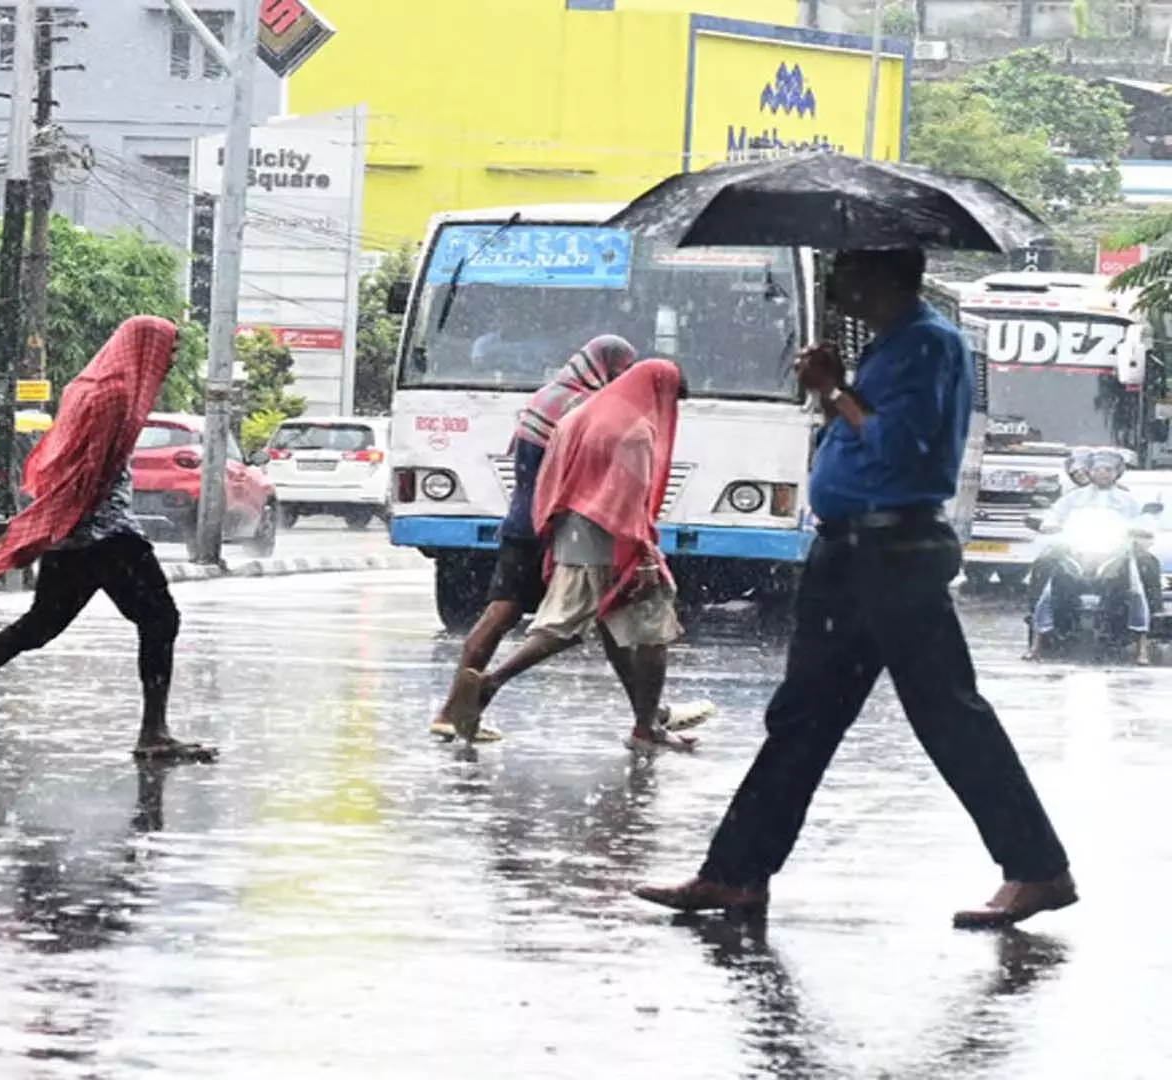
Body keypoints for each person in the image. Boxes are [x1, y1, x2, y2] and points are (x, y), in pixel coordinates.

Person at [634, 248, 1075, 929]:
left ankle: (1038, 869)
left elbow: (899, 446)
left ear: (885, 277)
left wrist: (835, 389)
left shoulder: (928, 344)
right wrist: (836, 389)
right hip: (850, 552)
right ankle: (736, 874)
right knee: (803, 719)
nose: (835, 282)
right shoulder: (892, 346)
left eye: (845, 270)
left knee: (948, 714)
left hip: (893, 553)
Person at [0, 316, 214, 763]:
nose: (171, 358)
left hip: (73, 533)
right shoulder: (116, 395)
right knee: (161, 621)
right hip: (104, 531)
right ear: (145, 347)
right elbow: (90, 471)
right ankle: (153, 732)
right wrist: (71, 522)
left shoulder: (87, 386)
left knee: (40, 626)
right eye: (168, 348)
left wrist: (56, 527)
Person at [443, 359, 697, 751]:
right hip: (615, 541)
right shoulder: (634, 431)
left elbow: (549, 479)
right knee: (650, 631)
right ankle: (490, 684)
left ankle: (646, 726)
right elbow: (629, 501)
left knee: (595, 627)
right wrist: (645, 553)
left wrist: (555, 528)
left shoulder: (579, 415)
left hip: (571, 535)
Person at [429, 336, 638, 742]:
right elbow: (578, 473)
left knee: (500, 616)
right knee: (603, 620)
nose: (624, 380)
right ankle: (648, 718)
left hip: (521, 522)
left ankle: (451, 711)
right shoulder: (583, 408)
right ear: (608, 368)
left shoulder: (547, 398)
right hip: (557, 528)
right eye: (622, 371)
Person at [1028, 448, 1154, 663]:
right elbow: (1054, 515)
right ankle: (1036, 640)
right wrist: (1049, 525)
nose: (1103, 473)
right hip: (1076, 548)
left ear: (1117, 472)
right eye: (1098, 469)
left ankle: (1144, 642)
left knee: (1147, 566)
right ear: (1089, 471)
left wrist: (1139, 529)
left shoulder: (1128, 499)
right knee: (1044, 564)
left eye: (1108, 469)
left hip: (1117, 549)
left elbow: (1145, 521)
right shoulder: (1073, 498)